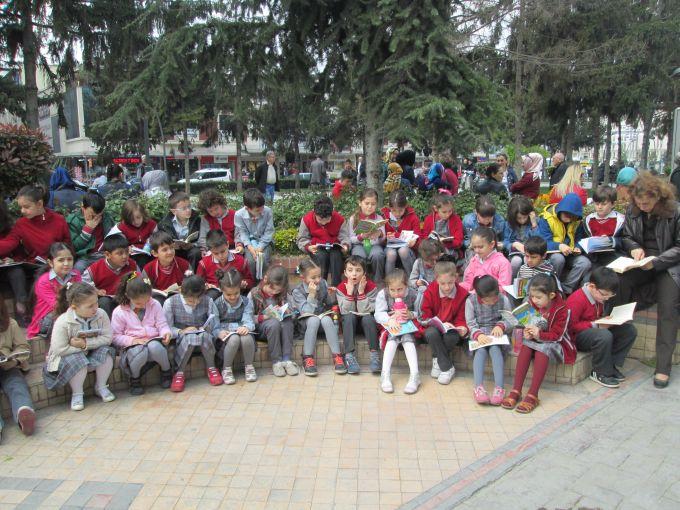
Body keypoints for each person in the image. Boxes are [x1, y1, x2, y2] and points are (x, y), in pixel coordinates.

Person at [613, 172, 680, 388]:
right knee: (617, 283)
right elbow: (626, 237)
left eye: (647, 202)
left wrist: (658, 261)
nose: (643, 206)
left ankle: (663, 366)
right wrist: (634, 248)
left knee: (669, 307)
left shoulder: (675, 211)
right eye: (639, 202)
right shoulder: (633, 210)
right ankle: (615, 347)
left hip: (668, 265)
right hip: (642, 262)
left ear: (658, 197)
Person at [501, 274, 574, 413]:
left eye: (538, 297)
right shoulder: (533, 302)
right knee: (527, 345)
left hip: (557, 343)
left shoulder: (563, 309)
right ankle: (516, 390)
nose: (534, 300)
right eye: (532, 296)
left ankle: (533, 394)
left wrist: (539, 335)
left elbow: (557, 336)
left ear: (551, 295)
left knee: (542, 349)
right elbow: (530, 324)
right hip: (538, 338)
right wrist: (527, 332)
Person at [0, 185, 72, 325]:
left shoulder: (58, 220)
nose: (22, 211)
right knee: (16, 270)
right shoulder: (21, 224)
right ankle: (22, 307)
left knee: (43, 272)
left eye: (26, 207)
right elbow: (9, 242)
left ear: (39, 204)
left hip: (55, 263)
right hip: (33, 264)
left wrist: (56, 259)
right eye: (20, 207)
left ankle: (44, 317)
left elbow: (68, 246)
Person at [44, 282, 117, 411]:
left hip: (90, 352)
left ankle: (101, 387)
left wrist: (85, 345)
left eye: (96, 303)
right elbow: (59, 349)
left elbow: (108, 338)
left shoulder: (101, 314)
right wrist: (81, 350)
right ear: (74, 307)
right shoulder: (63, 321)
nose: (95, 308)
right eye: (90, 306)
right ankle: (77, 394)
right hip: (68, 358)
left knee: (107, 352)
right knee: (78, 359)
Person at [567, 267, 637, 388]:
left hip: (593, 330)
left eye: (610, 296)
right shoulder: (577, 299)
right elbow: (570, 327)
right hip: (576, 337)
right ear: (592, 287)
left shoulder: (598, 296)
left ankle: (610, 365)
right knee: (604, 335)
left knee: (629, 331)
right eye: (604, 295)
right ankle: (600, 372)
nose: (606, 298)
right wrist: (596, 324)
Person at [111, 274, 173, 395]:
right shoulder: (119, 311)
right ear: (128, 296)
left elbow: (162, 324)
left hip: (153, 341)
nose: (143, 305)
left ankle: (166, 372)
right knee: (140, 351)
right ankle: (135, 379)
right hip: (134, 346)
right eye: (138, 303)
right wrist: (132, 341)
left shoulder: (154, 304)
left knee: (155, 347)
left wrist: (166, 333)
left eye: (146, 300)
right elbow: (115, 336)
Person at [163, 275, 221, 392]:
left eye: (198, 299)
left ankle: (211, 367)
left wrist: (205, 328)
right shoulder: (170, 303)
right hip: (182, 340)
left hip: (204, 337)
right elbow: (166, 327)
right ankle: (179, 372)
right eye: (190, 300)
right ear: (181, 293)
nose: (195, 303)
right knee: (190, 338)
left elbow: (215, 323)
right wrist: (181, 331)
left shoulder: (208, 301)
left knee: (203, 336)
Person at [291, 258, 345, 376]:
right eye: (313, 278)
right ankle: (307, 358)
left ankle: (337, 356)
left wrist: (332, 295)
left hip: (322, 319)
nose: (318, 280)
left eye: (319, 276)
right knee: (314, 320)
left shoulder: (323, 283)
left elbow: (329, 304)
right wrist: (311, 294)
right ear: (303, 278)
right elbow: (306, 311)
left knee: (326, 319)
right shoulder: (297, 291)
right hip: (306, 324)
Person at [466, 275, 513, 405]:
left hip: (497, 333)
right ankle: (478, 387)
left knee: (495, 349)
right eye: (488, 300)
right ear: (480, 297)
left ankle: (499, 388)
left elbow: (510, 320)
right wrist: (478, 335)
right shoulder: (470, 301)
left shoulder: (503, 299)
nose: (492, 302)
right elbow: (470, 323)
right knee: (480, 350)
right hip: (479, 333)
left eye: (494, 298)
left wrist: (501, 326)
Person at [420, 261, 469, 385]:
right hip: (434, 327)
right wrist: (434, 322)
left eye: (450, 283)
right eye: (442, 283)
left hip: (452, 328)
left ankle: (437, 359)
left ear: (456, 278)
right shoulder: (430, 290)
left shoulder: (462, 294)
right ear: (436, 279)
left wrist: (462, 327)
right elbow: (425, 313)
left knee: (451, 337)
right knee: (431, 333)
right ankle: (447, 367)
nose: (447, 287)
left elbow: (462, 317)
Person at [375, 269, 421, 394]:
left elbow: (421, 312)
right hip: (391, 325)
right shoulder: (383, 294)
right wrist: (389, 320)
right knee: (392, 339)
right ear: (388, 288)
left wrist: (411, 314)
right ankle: (385, 374)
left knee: (407, 339)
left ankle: (414, 375)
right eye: (393, 290)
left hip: (408, 325)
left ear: (406, 285)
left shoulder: (413, 294)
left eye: (400, 289)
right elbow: (378, 313)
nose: (396, 294)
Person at [248, 266, 298, 377]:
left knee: (288, 321)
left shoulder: (284, 293)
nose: (274, 292)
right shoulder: (254, 294)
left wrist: (288, 311)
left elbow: (294, 310)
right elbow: (247, 318)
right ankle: (277, 362)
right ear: (266, 280)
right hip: (262, 329)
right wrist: (263, 317)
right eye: (272, 289)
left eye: (278, 290)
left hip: (280, 326)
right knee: (273, 324)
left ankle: (287, 359)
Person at [537, 193, 591, 294]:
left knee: (584, 263)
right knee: (558, 259)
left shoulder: (577, 222)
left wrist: (578, 247)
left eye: (573, 217)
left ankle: (566, 289)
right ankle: (551, 286)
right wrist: (559, 246)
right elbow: (542, 242)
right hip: (552, 253)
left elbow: (580, 238)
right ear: (560, 210)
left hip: (570, 253)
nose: (569, 219)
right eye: (567, 215)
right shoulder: (546, 219)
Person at [27, 243, 81, 339]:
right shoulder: (44, 281)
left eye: (69, 259)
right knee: (63, 316)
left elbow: (80, 296)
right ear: (51, 263)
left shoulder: (76, 275)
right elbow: (57, 305)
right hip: (47, 320)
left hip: (71, 312)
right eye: (61, 260)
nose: (66, 263)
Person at [336, 256, 380, 374]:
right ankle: (349, 356)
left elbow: (367, 310)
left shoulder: (371, 287)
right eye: (350, 270)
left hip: (366, 325)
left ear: (364, 272)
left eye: (358, 270)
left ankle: (374, 355)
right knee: (348, 317)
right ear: (345, 273)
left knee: (368, 318)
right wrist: (349, 293)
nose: (354, 274)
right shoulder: (341, 287)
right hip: (349, 326)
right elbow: (344, 311)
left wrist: (361, 292)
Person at [0, 294, 35, 441]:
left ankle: (24, 412)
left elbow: (23, 347)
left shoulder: (10, 324)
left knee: (17, 384)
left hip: (7, 366)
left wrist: (14, 360)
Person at [213, 268, 257, 385]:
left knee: (246, 337)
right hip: (226, 336)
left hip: (242, 332)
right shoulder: (216, 303)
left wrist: (246, 327)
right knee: (234, 339)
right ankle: (226, 369)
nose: (233, 297)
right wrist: (218, 332)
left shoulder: (246, 301)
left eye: (236, 293)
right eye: (228, 294)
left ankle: (249, 366)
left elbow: (249, 320)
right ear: (221, 290)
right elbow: (214, 325)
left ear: (240, 289)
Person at [296, 195, 350, 286]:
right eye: (320, 219)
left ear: (332, 213)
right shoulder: (306, 219)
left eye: (327, 219)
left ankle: (337, 286)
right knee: (321, 256)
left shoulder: (339, 219)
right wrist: (308, 247)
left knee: (336, 255)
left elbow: (344, 237)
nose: (324, 222)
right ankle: (320, 285)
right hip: (317, 248)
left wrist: (345, 246)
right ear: (314, 213)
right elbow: (302, 239)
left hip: (335, 248)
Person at [82, 234, 138, 317]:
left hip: (127, 299)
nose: (125, 256)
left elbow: (140, 279)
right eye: (120, 253)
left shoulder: (132, 265)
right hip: (108, 301)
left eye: (127, 252)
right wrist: (96, 291)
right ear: (107, 255)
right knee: (104, 302)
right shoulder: (95, 268)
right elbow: (83, 283)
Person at [197, 230, 253, 300]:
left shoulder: (240, 261)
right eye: (216, 253)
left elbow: (250, 281)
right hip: (214, 296)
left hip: (235, 294)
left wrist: (244, 284)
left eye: (223, 251)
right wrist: (206, 286)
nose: (220, 256)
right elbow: (198, 284)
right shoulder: (204, 264)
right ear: (210, 251)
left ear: (228, 244)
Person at [67, 192, 115, 273]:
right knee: (77, 269)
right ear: (83, 208)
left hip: (104, 253)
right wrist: (87, 230)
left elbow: (113, 235)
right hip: (85, 257)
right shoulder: (74, 221)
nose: (96, 218)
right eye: (92, 215)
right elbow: (74, 247)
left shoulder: (106, 218)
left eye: (99, 215)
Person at [234, 188, 275, 280]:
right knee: (250, 262)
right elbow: (242, 232)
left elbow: (269, 231)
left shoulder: (267, 211)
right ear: (247, 208)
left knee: (263, 260)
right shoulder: (239, 215)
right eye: (257, 210)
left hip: (265, 242)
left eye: (262, 208)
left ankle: (264, 284)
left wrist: (260, 247)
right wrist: (250, 247)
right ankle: (252, 285)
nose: (261, 211)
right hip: (249, 243)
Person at [141, 231, 192, 305]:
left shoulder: (184, 265)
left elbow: (192, 283)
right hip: (160, 301)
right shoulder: (148, 269)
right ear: (154, 253)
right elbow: (145, 290)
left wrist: (184, 289)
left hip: (181, 299)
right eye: (165, 250)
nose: (170, 252)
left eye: (171, 248)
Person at [581, 185, 625, 268]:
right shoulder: (589, 220)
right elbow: (583, 239)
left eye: (604, 204)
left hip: (613, 257)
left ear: (612, 204)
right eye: (597, 204)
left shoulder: (620, 220)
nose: (600, 207)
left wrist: (611, 240)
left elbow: (625, 240)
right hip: (593, 258)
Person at [157, 191, 202, 270]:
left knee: (196, 253)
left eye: (189, 206)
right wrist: (172, 245)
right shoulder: (165, 224)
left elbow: (202, 238)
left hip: (191, 249)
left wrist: (193, 245)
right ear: (174, 211)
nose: (188, 210)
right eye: (184, 208)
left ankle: (191, 277)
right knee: (169, 254)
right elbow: (162, 239)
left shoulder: (197, 220)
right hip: (174, 250)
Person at [348, 188, 386, 282]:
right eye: (367, 203)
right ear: (360, 203)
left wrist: (380, 234)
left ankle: (378, 280)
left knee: (378, 255)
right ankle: (360, 281)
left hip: (374, 245)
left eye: (373, 204)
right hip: (359, 245)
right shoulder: (353, 218)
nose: (370, 207)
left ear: (376, 204)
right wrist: (361, 237)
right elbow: (350, 239)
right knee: (358, 256)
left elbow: (382, 240)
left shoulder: (379, 218)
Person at [461, 227, 512, 292]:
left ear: (492, 244)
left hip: (494, 299)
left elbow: (504, 287)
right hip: (474, 297)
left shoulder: (503, 263)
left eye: (480, 247)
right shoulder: (474, 260)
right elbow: (468, 282)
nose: (476, 250)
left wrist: (478, 293)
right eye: (474, 247)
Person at [504, 196, 540, 277]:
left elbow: (538, 240)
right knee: (516, 261)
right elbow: (505, 242)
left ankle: (527, 282)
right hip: (515, 252)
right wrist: (514, 244)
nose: (522, 220)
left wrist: (534, 224)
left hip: (530, 251)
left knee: (527, 260)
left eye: (524, 217)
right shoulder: (508, 224)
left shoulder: (534, 221)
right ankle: (512, 281)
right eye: (519, 218)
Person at [116, 198, 157, 269]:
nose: (136, 222)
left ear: (143, 214)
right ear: (127, 219)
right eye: (132, 220)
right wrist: (126, 248)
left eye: (138, 217)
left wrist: (152, 242)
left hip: (150, 252)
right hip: (132, 255)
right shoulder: (122, 227)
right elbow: (120, 244)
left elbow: (158, 238)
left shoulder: (151, 224)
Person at [421, 194, 464, 258]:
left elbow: (459, 241)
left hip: (450, 248)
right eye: (444, 212)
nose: (447, 215)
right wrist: (432, 243)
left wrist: (445, 243)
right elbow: (424, 236)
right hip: (433, 248)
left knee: (445, 255)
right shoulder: (429, 219)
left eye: (450, 211)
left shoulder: (456, 220)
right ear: (436, 209)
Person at [409, 238, 444, 312]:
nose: (434, 263)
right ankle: (418, 312)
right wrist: (416, 282)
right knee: (421, 290)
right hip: (423, 292)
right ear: (423, 258)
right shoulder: (418, 263)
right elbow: (411, 280)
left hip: (438, 291)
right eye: (431, 260)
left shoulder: (441, 263)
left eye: (436, 259)